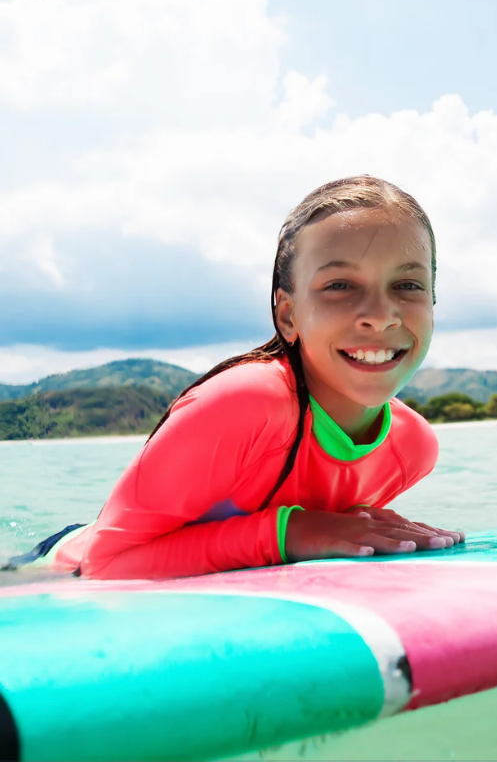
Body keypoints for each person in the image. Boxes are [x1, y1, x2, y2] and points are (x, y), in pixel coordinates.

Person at [12, 176, 463, 579]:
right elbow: (106, 562)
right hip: (55, 570)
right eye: (339, 285)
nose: (381, 317)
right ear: (288, 316)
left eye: (408, 285)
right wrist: (287, 534)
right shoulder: (244, 403)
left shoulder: (411, 449)